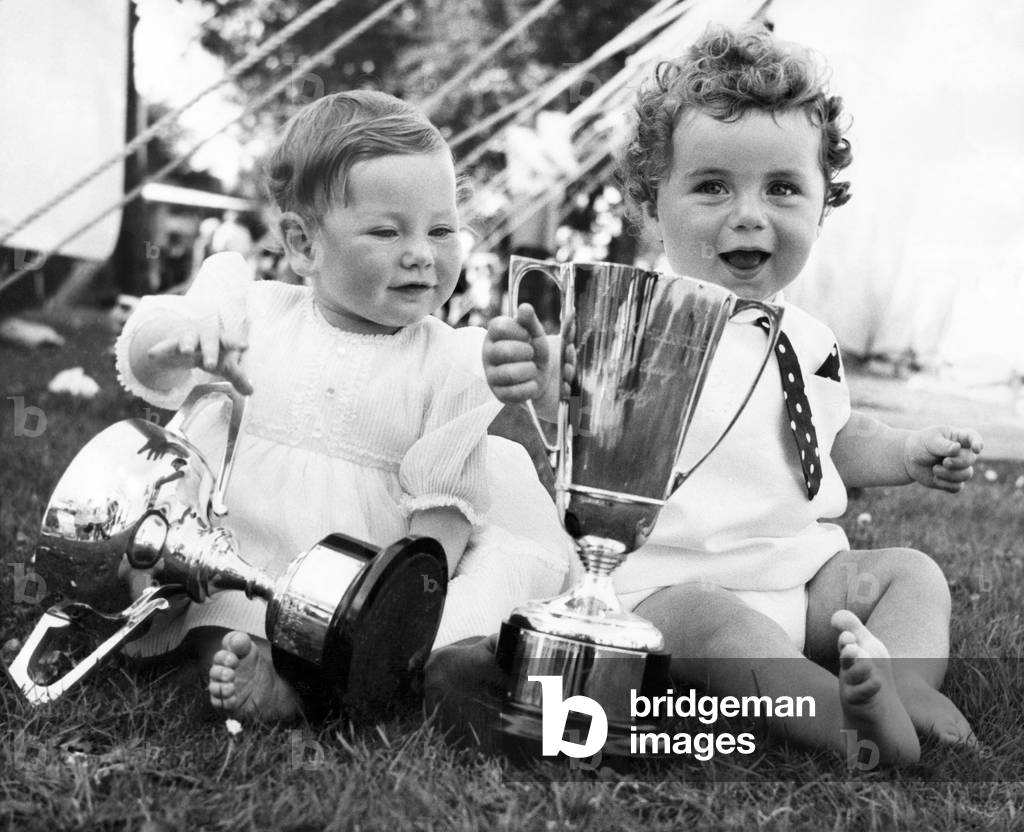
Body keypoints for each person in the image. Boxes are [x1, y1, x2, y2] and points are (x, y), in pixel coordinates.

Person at [478, 25, 983, 765]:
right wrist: (537, 368)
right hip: (672, 590)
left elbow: (834, 438)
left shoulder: (809, 338)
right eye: (713, 186)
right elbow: (580, 388)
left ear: (822, 206)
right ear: (653, 206)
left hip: (801, 577)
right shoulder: (645, 315)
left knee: (911, 574)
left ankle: (904, 686)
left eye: (781, 188)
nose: (749, 213)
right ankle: (849, 724)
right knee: (724, 633)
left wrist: (907, 453)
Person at [115, 90, 570, 722]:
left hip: (364, 572)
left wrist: (401, 608)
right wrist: (179, 344)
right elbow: (145, 356)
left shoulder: (449, 362)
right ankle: (261, 674)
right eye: (387, 231)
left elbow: (443, 510)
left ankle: (318, 685)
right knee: (219, 620)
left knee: (441, 627)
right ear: (304, 245)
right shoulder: (255, 313)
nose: (421, 252)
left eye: (441, 230)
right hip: (244, 547)